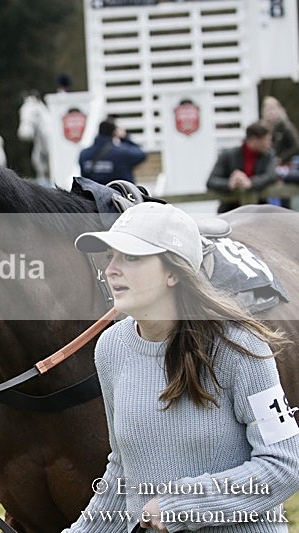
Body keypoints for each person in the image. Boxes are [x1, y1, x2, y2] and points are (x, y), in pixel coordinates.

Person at [65, 202, 299, 532]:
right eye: (110, 257)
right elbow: (122, 470)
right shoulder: (110, 348)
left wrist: (180, 505)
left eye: (131, 257)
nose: (111, 269)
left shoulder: (240, 346)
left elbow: (285, 464)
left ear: (174, 272)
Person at [206, 121, 277, 214]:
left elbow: (271, 176)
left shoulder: (268, 155)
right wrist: (230, 183)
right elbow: (211, 181)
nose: (269, 144)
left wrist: (250, 182)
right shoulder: (228, 155)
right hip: (229, 211)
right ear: (254, 140)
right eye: (266, 140)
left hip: (259, 212)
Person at [78, 118, 147, 185]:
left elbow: (84, 178)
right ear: (115, 132)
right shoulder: (123, 153)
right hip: (119, 194)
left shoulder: (84, 154)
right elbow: (141, 154)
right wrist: (125, 137)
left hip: (94, 194)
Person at [261, 96, 299, 166]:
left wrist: (282, 158)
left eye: (273, 108)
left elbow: (296, 146)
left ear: (279, 109)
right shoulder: (262, 127)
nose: (271, 112)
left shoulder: (286, 127)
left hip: (286, 164)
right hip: (268, 163)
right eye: (268, 109)